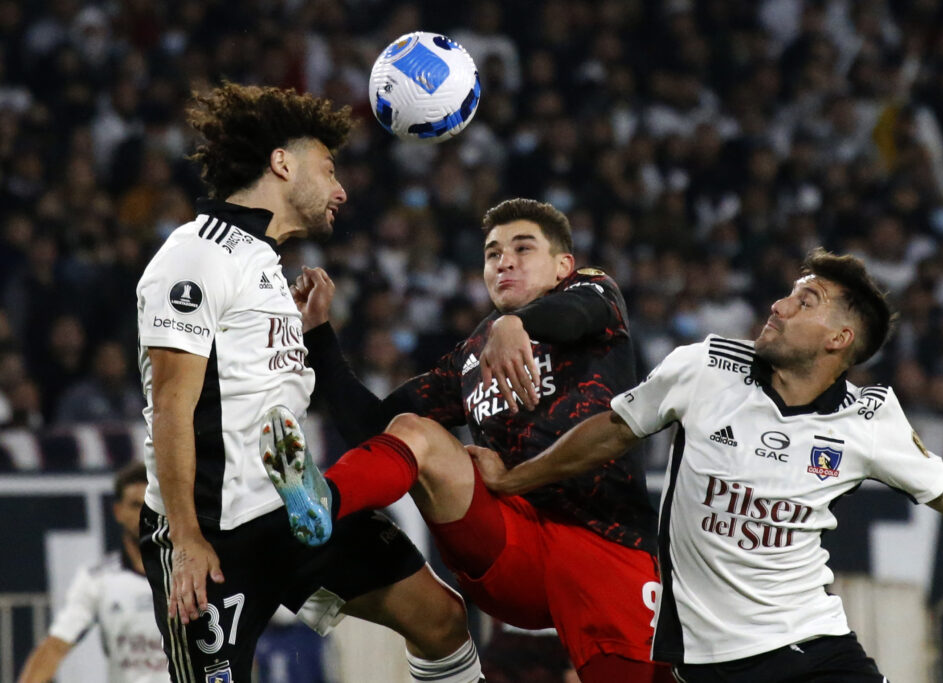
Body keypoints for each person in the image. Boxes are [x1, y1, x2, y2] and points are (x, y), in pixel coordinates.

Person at [469, 248, 943, 683]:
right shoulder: (703, 368)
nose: (779, 306)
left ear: (839, 339)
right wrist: (513, 478)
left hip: (816, 647)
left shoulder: (871, 421)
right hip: (707, 663)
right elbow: (611, 431)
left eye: (805, 302)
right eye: (788, 294)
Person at [134, 83, 481, 683]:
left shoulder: (268, 268)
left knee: (441, 618)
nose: (341, 189)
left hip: (297, 514)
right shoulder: (195, 256)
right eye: (329, 168)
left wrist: (315, 334)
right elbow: (170, 406)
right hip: (217, 534)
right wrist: (187, 539)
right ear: (282, 163)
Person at [277, 198, 673, 682]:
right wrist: (318, 334)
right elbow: (372, 431)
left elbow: (575, 314)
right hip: (511, 542)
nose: (503, 260)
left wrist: (515, 324)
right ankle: (323, 501)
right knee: (413, 431)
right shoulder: (471, 357)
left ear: (562, 265)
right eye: (492, 253)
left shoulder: (596, 293)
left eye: (522, 248)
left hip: (605, 543)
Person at [17, 461, 169, 683]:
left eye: (151, 506)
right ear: (118, 511)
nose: (144, 515)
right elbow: (56, 645)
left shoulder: (188, 573)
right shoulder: (98, 579)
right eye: (135, 505)